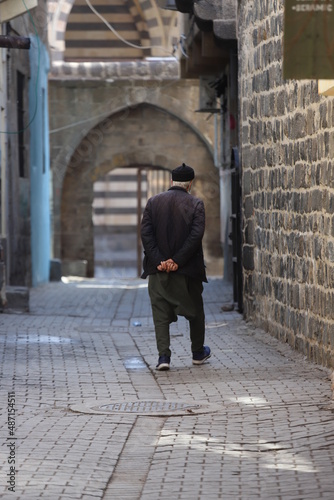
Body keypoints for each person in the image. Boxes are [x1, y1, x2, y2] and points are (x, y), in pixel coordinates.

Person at [140, 162, 211, 371]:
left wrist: (160, 261)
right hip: (187, 271)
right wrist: (177, 261)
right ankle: (198, 352)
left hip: (158, 271)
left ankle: (164, 357)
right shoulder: (196, 205)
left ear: (172, 181)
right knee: (195, 311)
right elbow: (196, 236)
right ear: (190, 184)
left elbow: (146, 234)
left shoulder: (153, 202)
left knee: (160, 314)